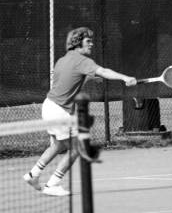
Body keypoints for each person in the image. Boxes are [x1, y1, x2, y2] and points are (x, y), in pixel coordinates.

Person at [23, 27, 137, 196]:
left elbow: (70, 79)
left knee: (59, 144)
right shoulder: (83, 61)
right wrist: (125, 77)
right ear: (78, 43)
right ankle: (52, 184)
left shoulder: (63, 60)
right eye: (88, 41)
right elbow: (103, 71)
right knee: (78, 147)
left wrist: (90, 76)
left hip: (49, 105)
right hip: (59, 109)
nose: (92, 44)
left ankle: (33, 175)